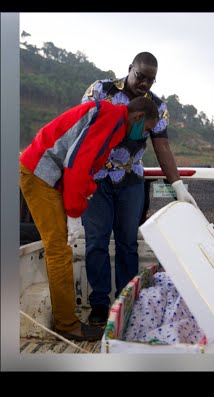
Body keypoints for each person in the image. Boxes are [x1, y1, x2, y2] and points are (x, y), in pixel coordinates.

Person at [19, 97, 159, 341]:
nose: (144, 135)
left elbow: (88, 168)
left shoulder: (114, 122)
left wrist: (85, 192)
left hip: (50, 177)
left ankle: (67, 320)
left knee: (60, 248)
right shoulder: (111, 119)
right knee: (59, 251)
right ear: (137, 117)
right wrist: (74, 213)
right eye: (146, 129)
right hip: (39, 172)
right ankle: (67, 324)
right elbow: (76, 163)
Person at [81, 52, 197, 327]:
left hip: (130, 179)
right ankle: (99, 305)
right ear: (129, 68)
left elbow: (162, 146)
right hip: (96, 178)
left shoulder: (158, 107)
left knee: (127, 244)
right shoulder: (101, 90)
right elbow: (82, 128)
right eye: (140, 76)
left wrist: (178, 184)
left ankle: (126, 304)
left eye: (151, 80)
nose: (144, 83)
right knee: (96, 242)